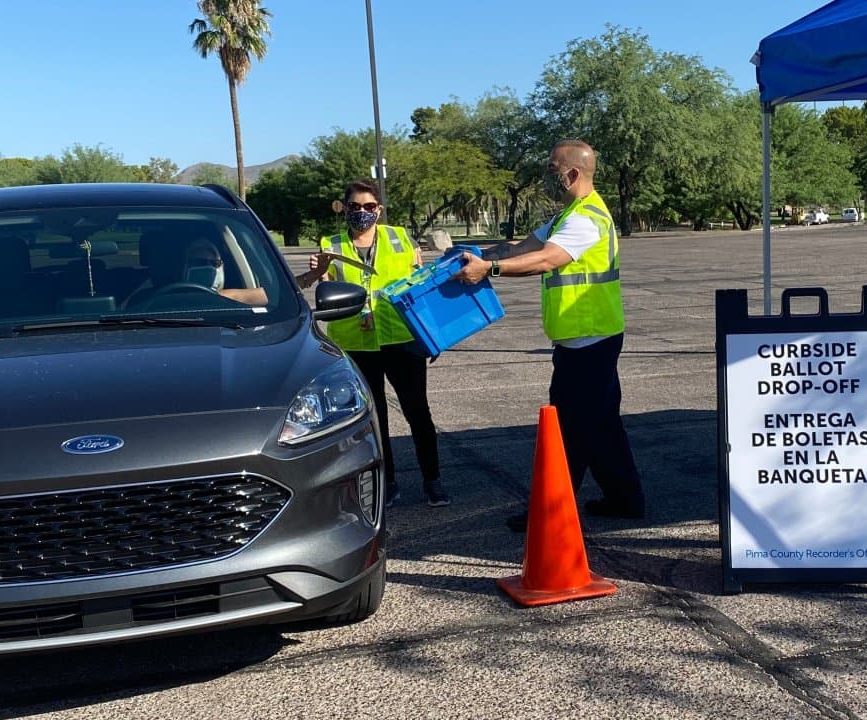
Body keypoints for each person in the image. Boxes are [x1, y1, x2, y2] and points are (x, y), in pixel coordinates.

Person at [455, 139, 644, 532]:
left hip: (590, 340)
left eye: (551, 169)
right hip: (584, 338)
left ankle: (550, 514)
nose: (546, 177)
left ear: (572, 174)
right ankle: (625, 500)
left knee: (569, 431)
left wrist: (490, 271)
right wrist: (478, 256)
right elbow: (524, 245)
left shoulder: (585, 220)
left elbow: (545, 259)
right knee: (603, 424)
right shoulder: (567, 216)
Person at [297, 180, 447, 508]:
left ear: (378, 209)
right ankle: (388, 482)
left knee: (417, 412)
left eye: (368, 207)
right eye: (354, 207)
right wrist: (316, 273)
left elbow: (421, 284)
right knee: (374, 418)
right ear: (344, 208)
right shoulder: (330, 244)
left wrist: (432, 334)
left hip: (401, 339)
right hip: (356, 343)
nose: (362, 213)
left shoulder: (400, 238)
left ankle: (432, 480)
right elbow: (318, 288)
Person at [126, 231, 266, 307]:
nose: (209, 268)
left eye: (215, 263)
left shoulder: (226, 298)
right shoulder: (144, 298)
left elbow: (273, 295)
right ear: (180, 265)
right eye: (199, 262)